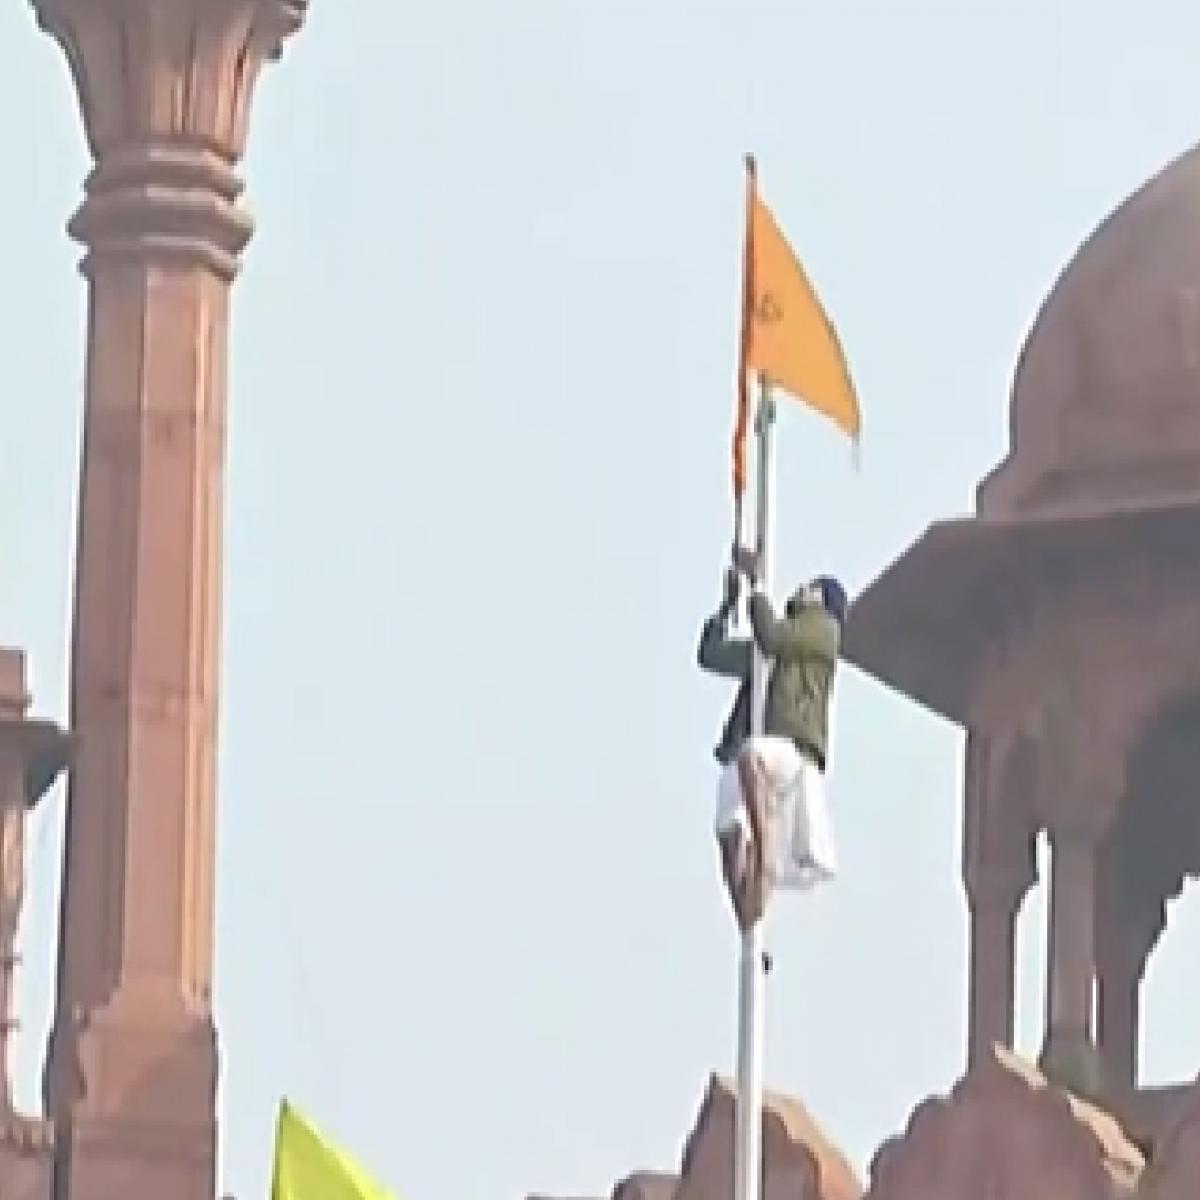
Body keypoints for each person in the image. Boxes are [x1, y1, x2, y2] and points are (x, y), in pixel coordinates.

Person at [697, 565, 847, 930]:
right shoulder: (772, 656)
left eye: (811, 587)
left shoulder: (822, 631)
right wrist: (727, 606)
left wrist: (756, 588)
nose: (801, 588)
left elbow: (772, 636)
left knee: (752, 758)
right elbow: (711, 655)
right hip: (758, 748)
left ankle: (768, 854)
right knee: (727, 833)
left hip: (789, 747)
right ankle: (748, 916)